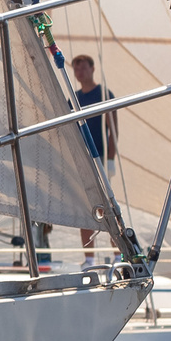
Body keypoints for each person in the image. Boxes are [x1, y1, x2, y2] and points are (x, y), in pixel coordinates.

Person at [71, 54, 117, 254]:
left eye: (83, 68)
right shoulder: (73, 99)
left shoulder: (104, 94)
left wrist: (110, 160)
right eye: (76, 69)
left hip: (101, 158)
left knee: (107, 207)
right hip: (82, 161)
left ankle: (118, 253)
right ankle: (89, 257)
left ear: (92, 69)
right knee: (86, 209)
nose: (80, 72)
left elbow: (113, 130)